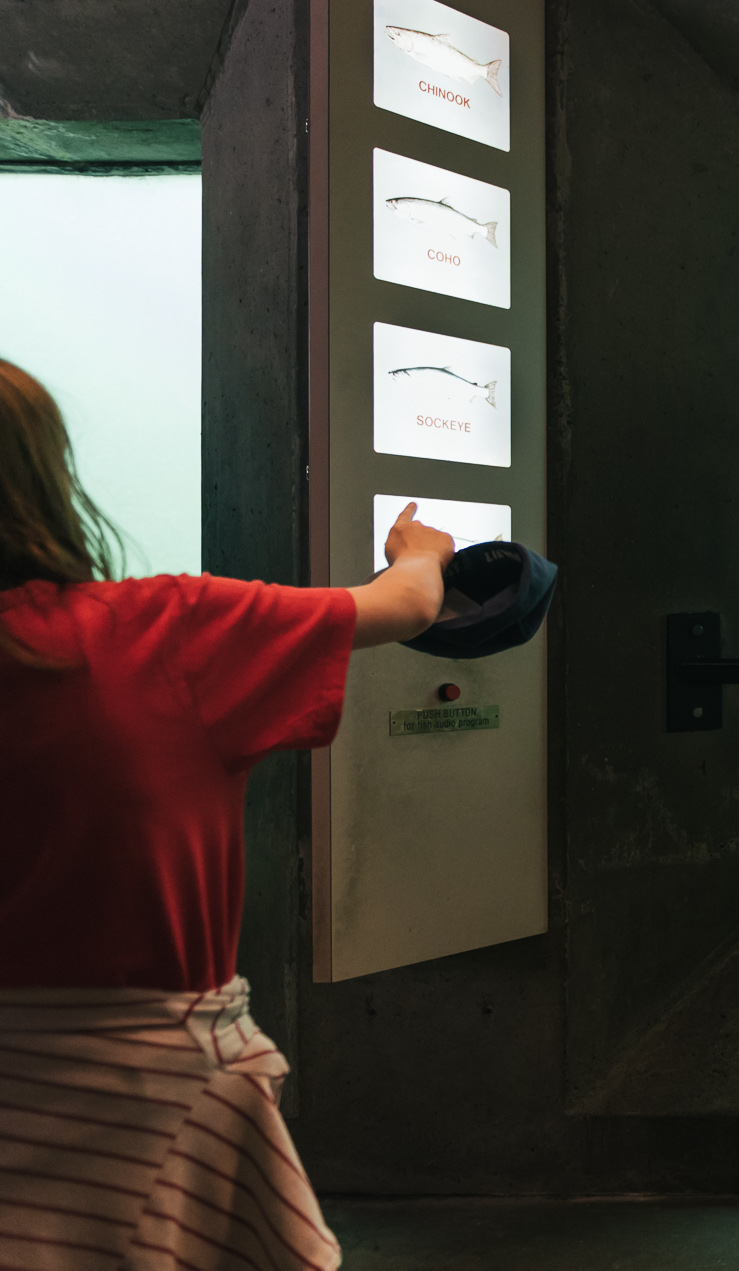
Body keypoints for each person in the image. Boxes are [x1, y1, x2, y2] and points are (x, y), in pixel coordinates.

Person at [0, 358, 459, 1271]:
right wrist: (421, 549)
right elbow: (404, 606)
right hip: (149, 1100)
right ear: (44, 475)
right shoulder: (162, 630)